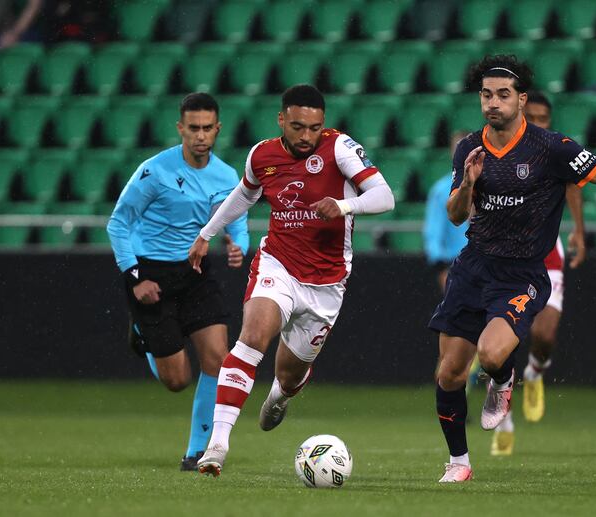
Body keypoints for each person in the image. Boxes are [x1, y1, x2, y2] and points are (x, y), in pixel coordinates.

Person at [428, 55, 596, 483]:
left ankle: (503, 382)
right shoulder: (470, 147)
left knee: (490, 352)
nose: (492, 103)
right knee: (448, 371)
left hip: (521, 272)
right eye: (486, 95)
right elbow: (453, 216)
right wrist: (467, 184)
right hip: (474, 265)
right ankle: (459, 464)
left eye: (503, 95)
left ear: (521, 99)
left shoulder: (551, 148)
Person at [188, 84, 395, 477]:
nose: (306, 137)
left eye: (314, 128)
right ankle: (217, 445)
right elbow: (243, 196)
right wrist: (207, 234)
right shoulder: (262, 154)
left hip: (327, 283)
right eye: (298, 126)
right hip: (278, 265)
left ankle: (281, 395)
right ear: (281, 120)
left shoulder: (339, 148)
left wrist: (344, 205)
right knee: (251, 338)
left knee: (289, 373)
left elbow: (385, 197)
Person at [106, 92, 250, 471]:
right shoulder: (155, 171)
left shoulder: (226, 175)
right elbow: (118, 223)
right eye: (193, 129)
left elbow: (237, 221)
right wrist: (134, 277)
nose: (200, 136)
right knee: (176, 380)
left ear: (217, 129)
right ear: (180, 129)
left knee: (219, 359)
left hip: (195, 271)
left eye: (207, 129)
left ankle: (197, 452)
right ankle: (143, 334)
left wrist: (240, 246)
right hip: (149, 273)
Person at [490, 91, 587, 457]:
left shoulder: (554, 150)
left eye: (543, 117)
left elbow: (573, 184)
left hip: (546, 255)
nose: (537, 122)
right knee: (503, 343)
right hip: (505, 258)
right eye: (532, 115)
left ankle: (534, 373)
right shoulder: (497, 147)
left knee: (544, 335)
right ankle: (505, 422)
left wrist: (578, 230)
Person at [423, 131, 472, 293]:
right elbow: (433, 233)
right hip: (456, 266)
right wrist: (442, 268)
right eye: (459, 149)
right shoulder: (441, 190)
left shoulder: (493, 186)